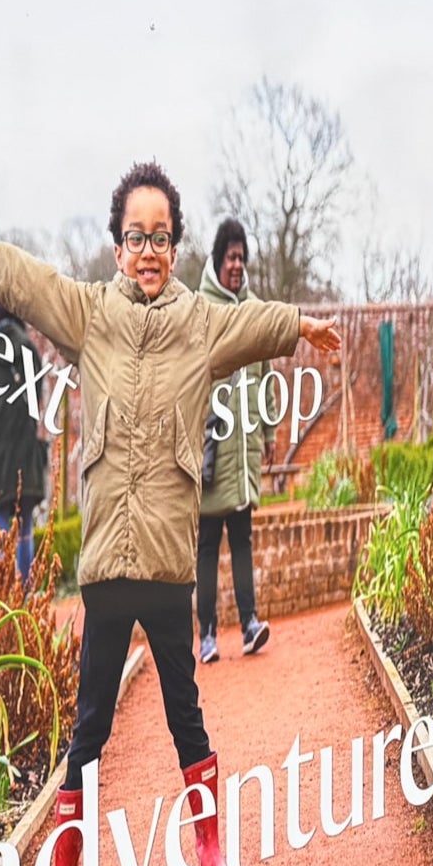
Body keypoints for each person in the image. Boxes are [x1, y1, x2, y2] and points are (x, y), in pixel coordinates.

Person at [0, 164, 343, 866]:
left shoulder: (198, 324)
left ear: (175, 247)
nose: (148, 251)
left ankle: (209, 848)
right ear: (117, 247)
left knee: (185, 712)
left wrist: (303, 326)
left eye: (161, 238)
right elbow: (31, 281)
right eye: (136, 236)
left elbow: (253, 322)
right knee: (90, 729)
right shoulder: (90, 315)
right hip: (107, 561)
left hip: (170, 560)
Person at [194, 218, 270, 662]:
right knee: (207, 547)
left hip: (243, 453)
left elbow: (265, 377)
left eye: (242, 258)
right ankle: (206, 634)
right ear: (218, 260)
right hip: (211, 452)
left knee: (242, 542)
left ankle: (249, 624)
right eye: (231, 257)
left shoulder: (254, 310)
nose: (237, 265)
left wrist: (268, 429)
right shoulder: (200, 310)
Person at [0, 302, 49, 585]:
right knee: (24, 529)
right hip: (25, 459)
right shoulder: (29, 350)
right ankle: (25, 593)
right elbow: (36, 404)